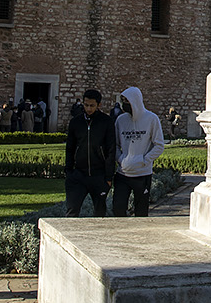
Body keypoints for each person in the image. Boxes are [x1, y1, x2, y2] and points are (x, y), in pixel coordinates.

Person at [112, 86, 166, 217]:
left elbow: (159, 145)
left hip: (142, 174)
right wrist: (120, 159)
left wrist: (144, 160)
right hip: (123, 173)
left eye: (127, 101)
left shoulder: (151, 119)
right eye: (123, 101)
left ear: (135, 101)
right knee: (118, 208)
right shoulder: (121, 120)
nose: (125, 104)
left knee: (141, 212)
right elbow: (115, 144)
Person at [65, 90, 117, 217]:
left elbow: (111, 149)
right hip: (78, 175)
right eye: (86, 105)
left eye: (92, 105)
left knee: (100, 213)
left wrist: (109, 177)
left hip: (99, 175)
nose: (88, 108)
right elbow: (70, 148)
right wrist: (68, 172)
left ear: (98, 105)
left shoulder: (106, 122)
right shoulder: (75, 122)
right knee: (72, 210)